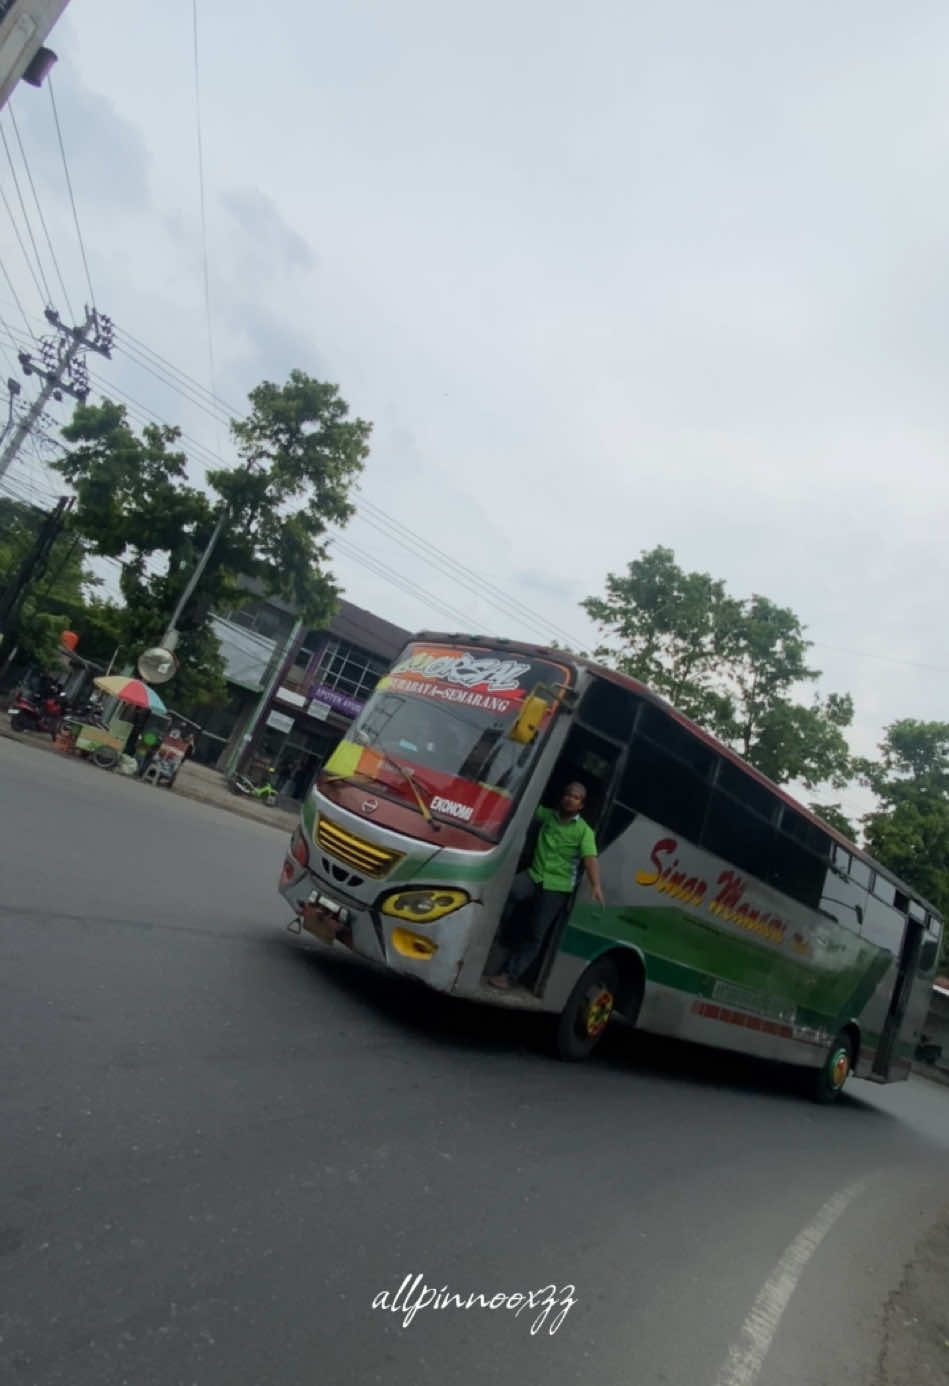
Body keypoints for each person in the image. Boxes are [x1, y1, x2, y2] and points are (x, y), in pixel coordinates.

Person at [486, 782, 604, 992]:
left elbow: (589, 858)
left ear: (581, 805)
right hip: (534, 875)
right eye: (567, 794)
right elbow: (520, 801)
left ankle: (510, 976)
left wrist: (596, 886)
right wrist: (493, 787)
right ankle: (502, 936)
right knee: (506, 892)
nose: (570, 799)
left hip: (556, 887)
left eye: (576, 797)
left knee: (536, 933)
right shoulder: (547, 816)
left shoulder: (584, 831)